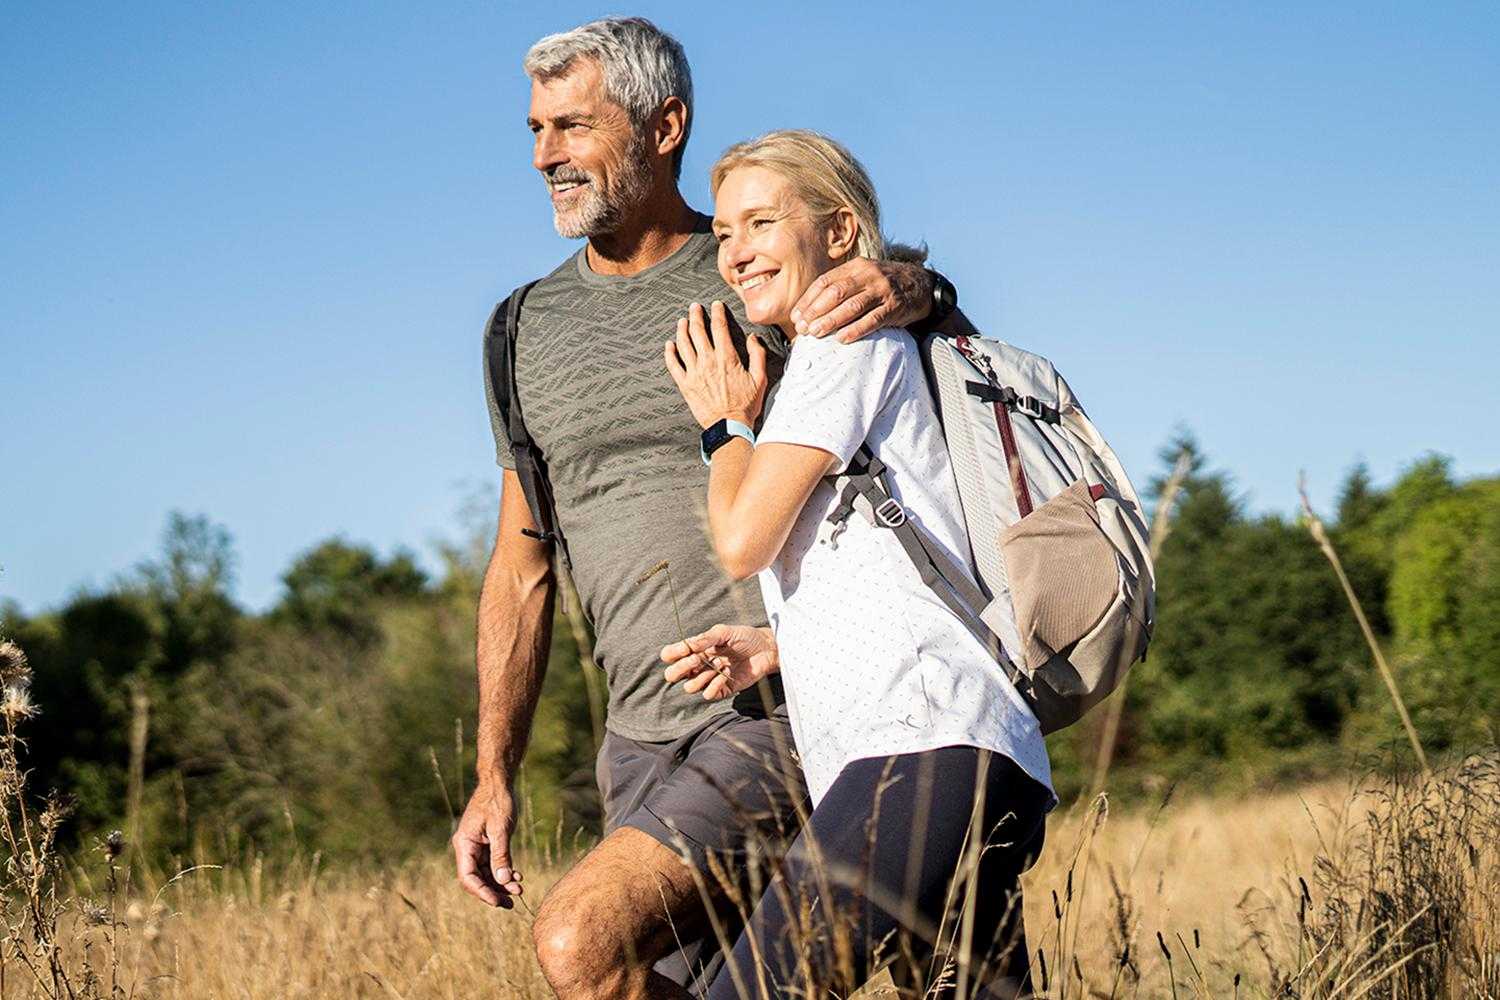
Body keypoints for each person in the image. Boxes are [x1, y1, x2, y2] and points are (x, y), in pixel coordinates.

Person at [452, 18, 961, 1000]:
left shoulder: (748, 268)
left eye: (572, 126)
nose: (545, 154)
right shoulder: (518, 329)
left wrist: (914, 285)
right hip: (636, 742)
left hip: (771, 712)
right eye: (534, 129)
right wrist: (491, 774)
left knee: (578, 945)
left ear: (664, 124)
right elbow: (522, 564)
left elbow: (908, 345)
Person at [660, 130, 1056, 999]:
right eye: (724, 232)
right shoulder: (856, 350)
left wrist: (725, 426)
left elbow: (741, 539)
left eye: (762, 222)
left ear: (839, 233)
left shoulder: (841, 339)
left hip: (921, 749)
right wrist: (773, 648)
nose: (735, 253)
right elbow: (883, 548)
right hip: (961, 750)